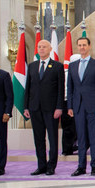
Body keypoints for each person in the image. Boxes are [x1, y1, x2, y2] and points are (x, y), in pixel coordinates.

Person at [67, 37, 95, 176]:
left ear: (89, 46)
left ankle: (94, 166)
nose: (82, 47)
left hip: (94, 107)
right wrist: (70, 106)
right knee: (81, 137)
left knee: (94, 136)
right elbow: (70, 88)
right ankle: (81, 166)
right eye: (79, 45)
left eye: (84, 45)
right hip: (78, 107)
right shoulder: (72, 66)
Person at [24, 40, 65, 176]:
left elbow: (60, 89)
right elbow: (28, 88)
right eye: (39, 47)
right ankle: (41, 165)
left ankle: (51, 166)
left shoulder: (57, 66)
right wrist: (26, 107)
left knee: (52, 139)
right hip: (35, 108)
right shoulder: (32, 66)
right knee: (38, 138)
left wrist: (59, 107)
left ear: (50, 49)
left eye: (44, 47)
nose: (41, 49)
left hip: (51, 109)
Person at [61, 54, 79, 156]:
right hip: (67, 102)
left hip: (78, 102)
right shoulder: (66, 74)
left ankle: (74, 146)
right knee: (68, 127)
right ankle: (67, 148)